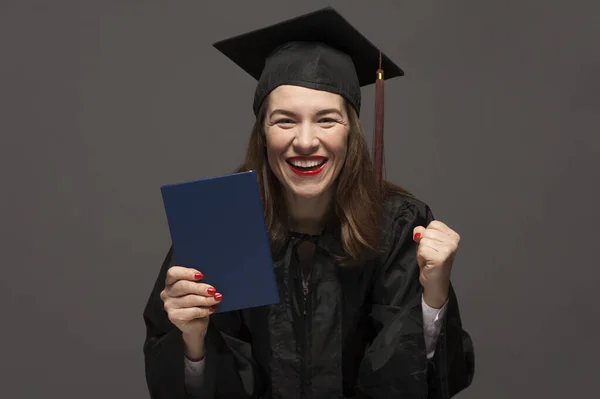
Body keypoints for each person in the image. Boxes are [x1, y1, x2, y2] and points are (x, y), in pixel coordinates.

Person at [143, 6, 474, 399]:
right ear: (263, 133)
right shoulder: (220, 224)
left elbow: (422, 384)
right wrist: (194, 341)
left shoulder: (400, 226)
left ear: (351, 132)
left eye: (327, 120)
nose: (304, 140)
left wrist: (433, 298)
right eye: (284, 120)